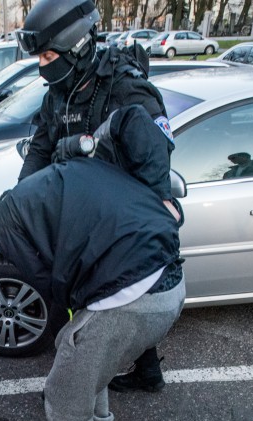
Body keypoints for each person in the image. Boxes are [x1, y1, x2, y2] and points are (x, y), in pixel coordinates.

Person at [0, 104, 186, 421]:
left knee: (63, 394)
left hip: (130, 303)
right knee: (89, 367)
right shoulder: (104, 178)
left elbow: (37, 267)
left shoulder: (16, 212)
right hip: (170, 287)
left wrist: (58, 290)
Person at [15, 0, 174, 394]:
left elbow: (156, 156)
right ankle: (145, 372)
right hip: (81, 212)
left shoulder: (125, 87)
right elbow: (40, 145)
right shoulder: (60, 91)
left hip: (120, 220)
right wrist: (22, 194)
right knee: (98, 300)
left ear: (79, 45)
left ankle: (72, 386)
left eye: (49, 55)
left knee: (106, 301)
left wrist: (149, 221)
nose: (42, 65)